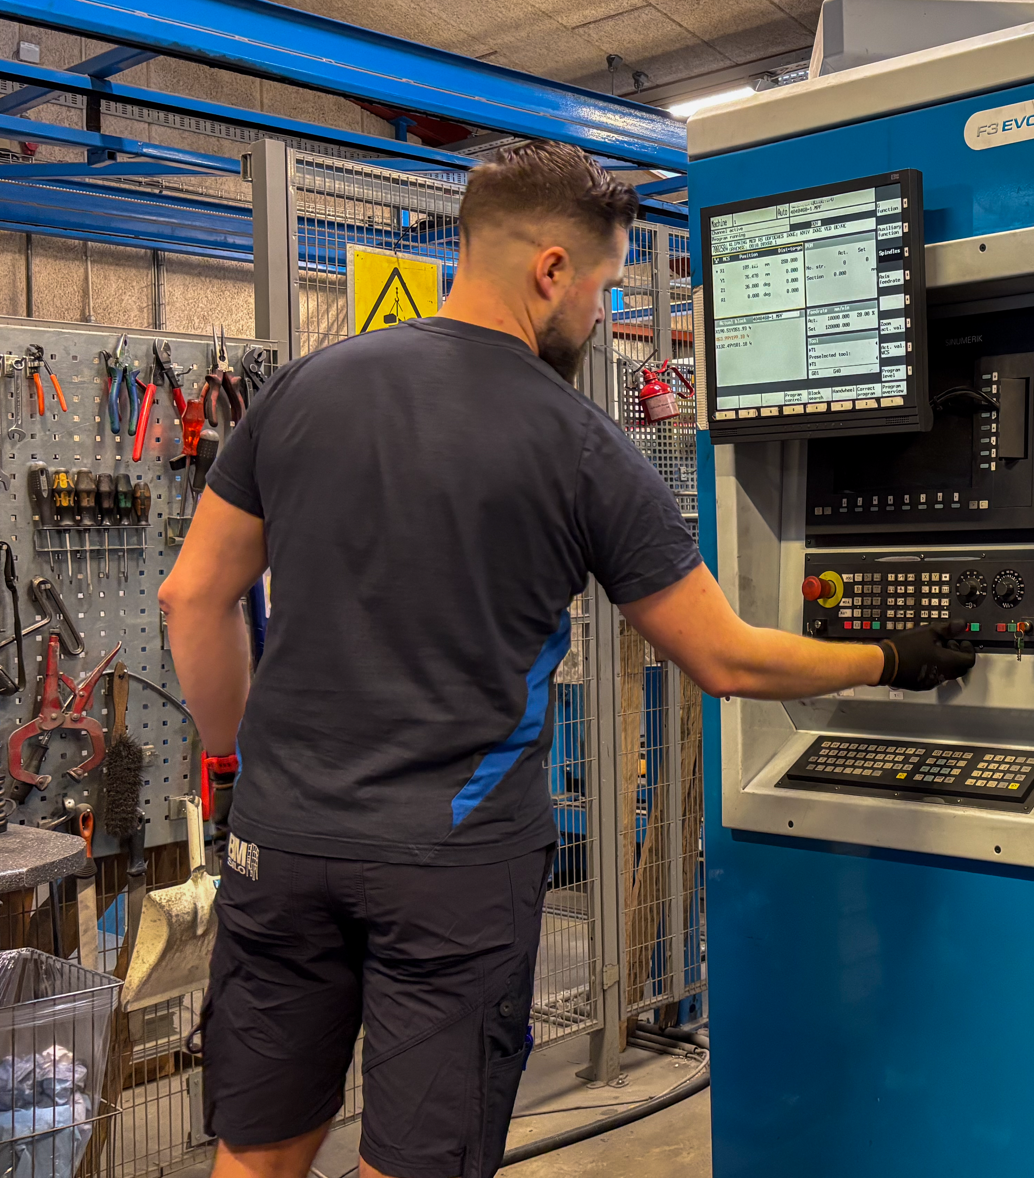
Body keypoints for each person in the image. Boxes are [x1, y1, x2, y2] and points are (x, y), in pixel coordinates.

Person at [158, 141, 976, 1178]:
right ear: (551, 270)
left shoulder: (304, 389)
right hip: (450, 867)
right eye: (602, 289)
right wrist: (891, 656)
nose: (600, 316)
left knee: (257, 1148)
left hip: (280, 845)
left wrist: (235, 762)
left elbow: (192, 596)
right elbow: (725, 659)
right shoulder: (580, 443)